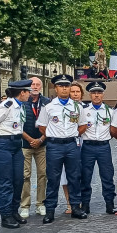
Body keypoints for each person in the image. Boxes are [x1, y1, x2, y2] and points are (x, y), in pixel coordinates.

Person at [37, 74, 85, 223]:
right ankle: (50, 209)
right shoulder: (49, 107)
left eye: (67, 86)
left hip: (71, 144)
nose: (64, 88)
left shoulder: (77, 106)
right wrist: (54, 135)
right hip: (54, 145)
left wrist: (72, 134)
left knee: (74, 176)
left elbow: (83, 125)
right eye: (61, 86)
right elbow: (42, 126)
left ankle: (75, 207)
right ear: (56, 88)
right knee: (53, 178)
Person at [0, 80, 32, 229]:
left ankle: (13, 211)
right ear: (22, 93)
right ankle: (6, 215)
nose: (29, 94)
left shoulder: (20, 106)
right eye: (28, 91)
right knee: (5, 182)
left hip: (16, 144)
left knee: (19, 179)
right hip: (3, 144)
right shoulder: (7, 106)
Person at [78, 81, 117, 215]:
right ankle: (85, 204)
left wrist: (106, 139)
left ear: (103, 95)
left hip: (103, 146)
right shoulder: (83, 111)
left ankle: (110, 203)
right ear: (90, 95)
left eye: (99, 93)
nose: (96, 95)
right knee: (85, 176)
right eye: (94, 93)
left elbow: (114, 129)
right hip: (88, 146)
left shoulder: (110, 111)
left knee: (107, 175)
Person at [19, 77, 50, 218]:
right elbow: (17, 125)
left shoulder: (47, 103)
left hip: (42, 144)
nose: (35, 86)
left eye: (38, 84)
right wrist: (31, 139)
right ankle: (24, 205)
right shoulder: (21, 102)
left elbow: (51, 125)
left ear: (41, 87)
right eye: (32, 84)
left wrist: (41, 139)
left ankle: (40, 203)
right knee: (25, 176)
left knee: (42, 175)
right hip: (25, 144)